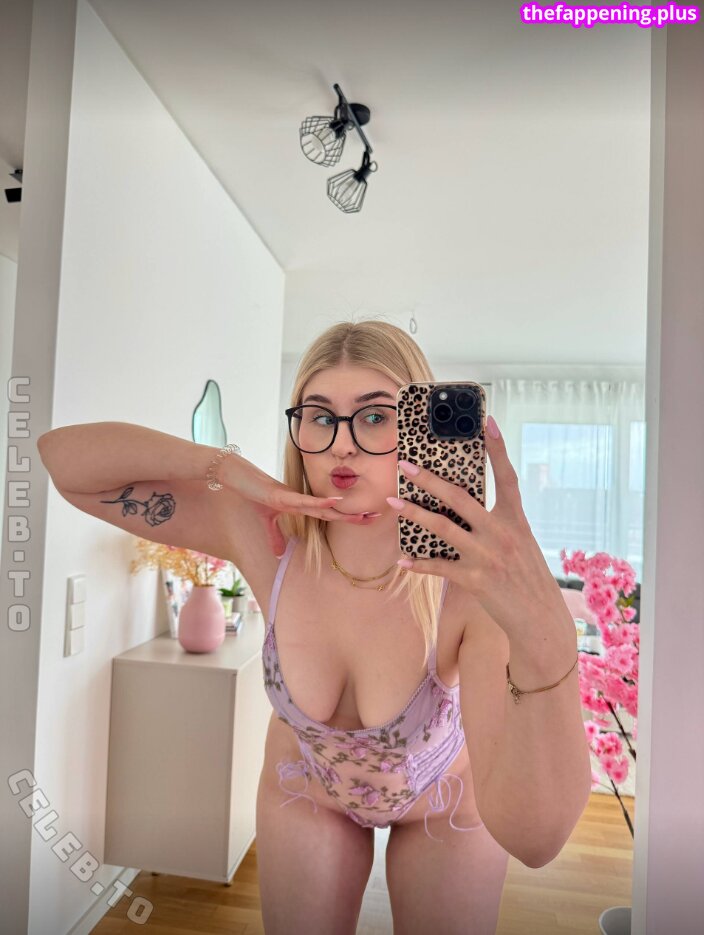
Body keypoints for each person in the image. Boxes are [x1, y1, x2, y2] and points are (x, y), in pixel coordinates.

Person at [37, 320, 511, 935]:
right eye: (319, 416)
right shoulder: (267, 539)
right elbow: (63, 461)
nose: (342, 445)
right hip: (306, 794)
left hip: (444, 807)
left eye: (375, 416)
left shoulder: (460, 575)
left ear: (420, 425)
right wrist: (222, 466)